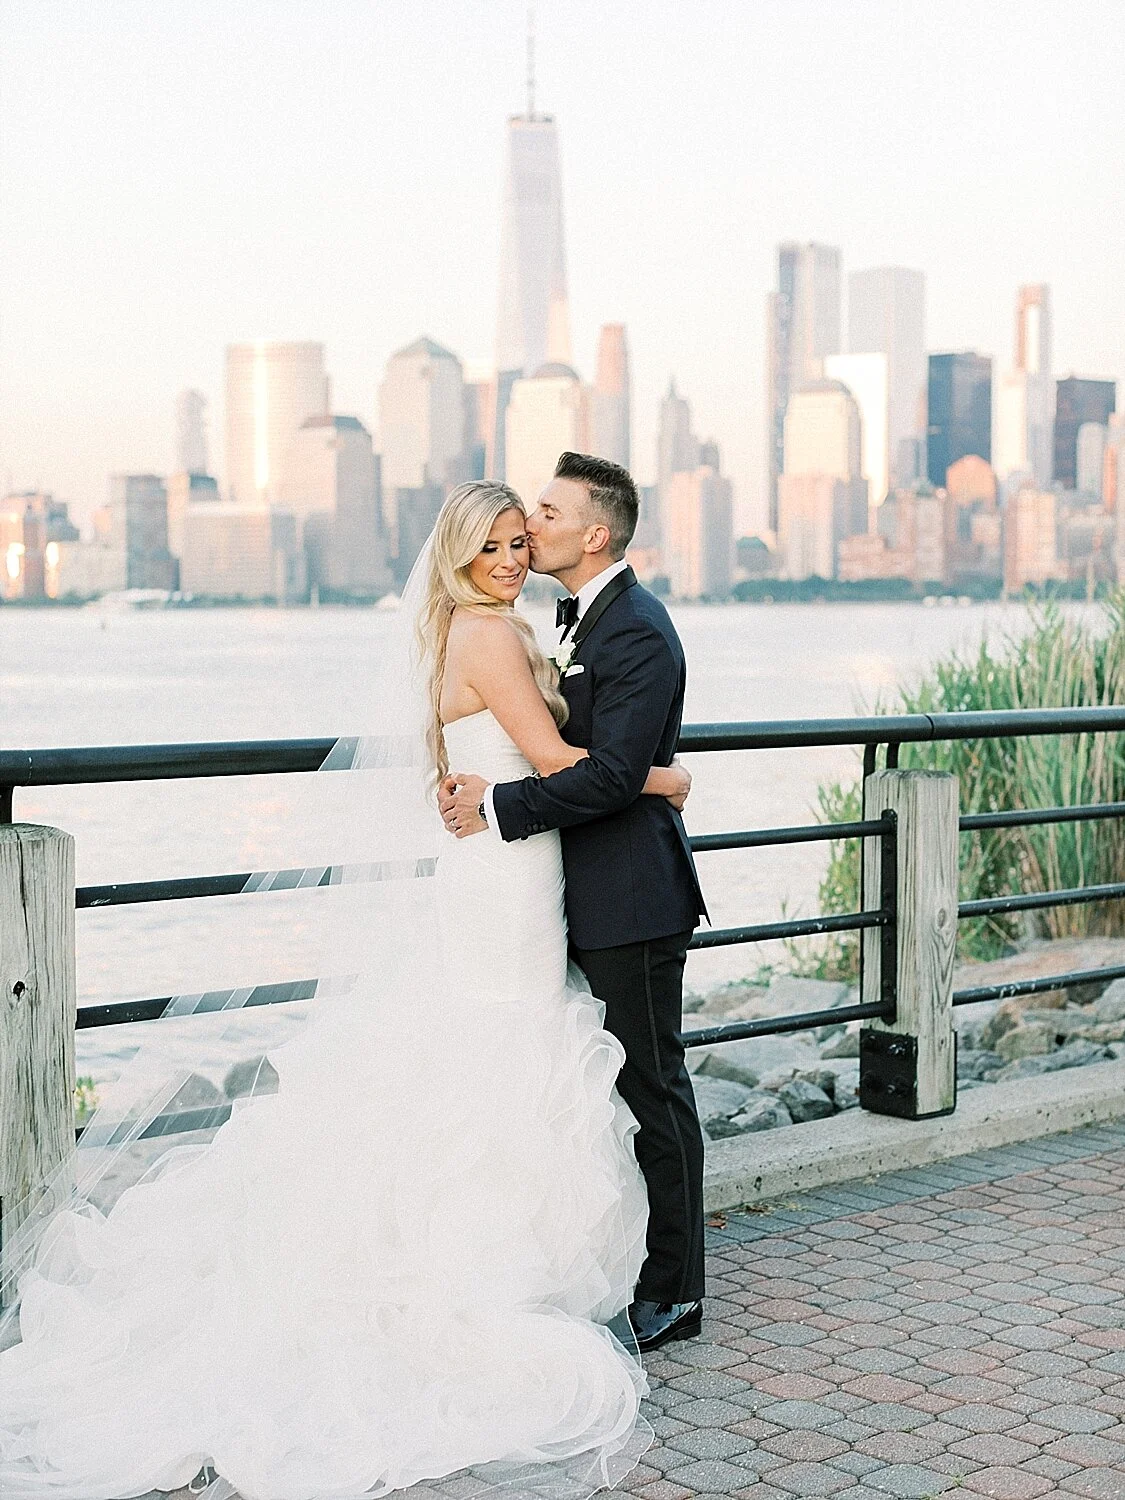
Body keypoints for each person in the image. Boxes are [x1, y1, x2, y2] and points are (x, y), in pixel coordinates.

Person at [0, 480, 693, 1500]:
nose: (511, 558)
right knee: (503, 1049)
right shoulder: (489, 636)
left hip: (500, 867)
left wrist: (516, 781)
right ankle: (480, 1258)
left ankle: (498, 1248)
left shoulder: (462, 629)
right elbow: (556, 760)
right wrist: (666, 779)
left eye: (520, 541)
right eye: (494, 546)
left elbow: (504, 758)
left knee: (491, 1050)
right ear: (458, 554)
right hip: (505, 875)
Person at [439, 452, 708, 1354]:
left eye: (546, 515)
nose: (531, 527)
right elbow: (594, 760)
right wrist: (662, 779)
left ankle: (675, 1290)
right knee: (590, 1082)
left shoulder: (635, 630)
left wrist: (497, 804)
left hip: (630, 895)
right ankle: (592, 1254)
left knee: (652, 1088)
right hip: (567, 889)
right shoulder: (561, 622)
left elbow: (606, 775)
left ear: (594, 534)